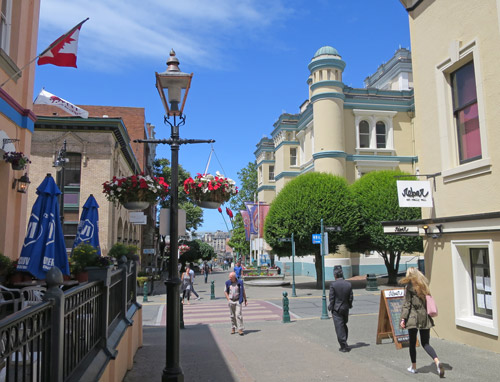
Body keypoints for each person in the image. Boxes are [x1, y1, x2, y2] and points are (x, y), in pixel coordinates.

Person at [399, 267, 445, 377]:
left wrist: (403, 319)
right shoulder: (424, 285)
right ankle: (437, 361)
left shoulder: (410, 287)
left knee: (412, 343)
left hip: (413, 317)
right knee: (425, 343)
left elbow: (407, 304)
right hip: (424, 316)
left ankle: (413, 367)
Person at [328, 266, 353, 352]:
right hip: (345, 308)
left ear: (335, 275)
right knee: (344, 325)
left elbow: (331, 298)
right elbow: (350, 297)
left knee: (339, 327)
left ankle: (343, 345)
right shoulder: (348, 284)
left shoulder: (333, 284)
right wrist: (349, 305)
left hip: (337, 309)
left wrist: (330, 306)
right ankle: (344, 340)